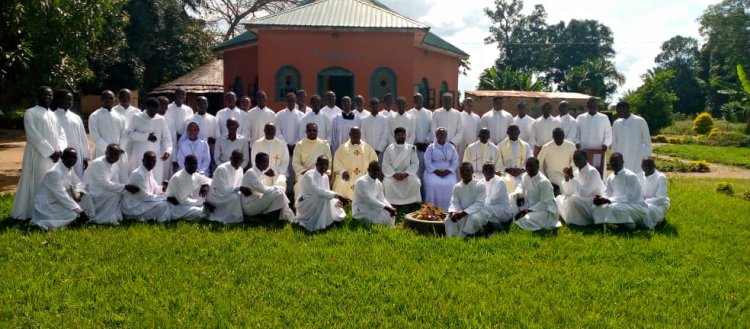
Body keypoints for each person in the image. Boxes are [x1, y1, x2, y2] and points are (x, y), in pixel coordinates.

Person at [31, 147, 95, 230]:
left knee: (86, 196)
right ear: (62, 157)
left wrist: (79, 192)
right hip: (48, 204)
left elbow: (78, 183)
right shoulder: (54, 172)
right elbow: (62, 195)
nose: (71, 159)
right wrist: (80, 211)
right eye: (68, 157)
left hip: (60, 201)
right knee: (73, 214)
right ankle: (45, 224)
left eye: (74, 157)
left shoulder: (69, 168)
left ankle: (87, 218)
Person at [83, 144, 139, 225]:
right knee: (114, 194)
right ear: (106, 153)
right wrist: (125, 187)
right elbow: (104, 184)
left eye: (116, 154)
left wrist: (125, 188)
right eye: (111, 153)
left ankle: (120, 215)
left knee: (122, 193)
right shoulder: (99, 163)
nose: (113, 156)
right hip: (91, 189)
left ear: (119, 155)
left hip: (101, 188)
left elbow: (115, 182)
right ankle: (103, 219)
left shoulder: (115, 164)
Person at [592, 153, 648, 229]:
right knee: (596, 206)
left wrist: (608, 200)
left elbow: (630, 198)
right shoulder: (610, 177)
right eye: (611, 162)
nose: (613, 164)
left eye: (616, 161)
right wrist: (601, 199)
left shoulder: (631, 176)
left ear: (622, 162)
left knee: (614, 208)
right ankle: (602, 225)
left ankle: (629, 225)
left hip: (636, 206)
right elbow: (607, 193)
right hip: (617, 204)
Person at [295, 156, 350, 231]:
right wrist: (337, 196)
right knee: (323, 199)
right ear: (316, 164)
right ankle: (319, 225)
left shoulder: (325, 177)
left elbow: (327, 193)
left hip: (319, 200)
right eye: (322, 164)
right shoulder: (309, 175)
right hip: (305, 203)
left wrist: (338, 200)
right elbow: (317, 191)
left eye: (326, 165)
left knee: (336, 205)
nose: (324, 167)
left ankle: (326, 221)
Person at [555, 150, 605, 226]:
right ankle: (569, 217)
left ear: (586, 158)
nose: (576, 161)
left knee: (572, 200)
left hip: (594, 202)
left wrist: (571, 177)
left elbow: (583, 193)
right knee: (559, 198)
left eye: (578, 158)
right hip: (581, 200)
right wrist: (567, 178)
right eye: (574, 159)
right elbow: (568, 192)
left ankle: (575, 220)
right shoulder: (576, 172)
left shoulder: (592, 172)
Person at [127, 97, 172, 182]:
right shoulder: (136, 117)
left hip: (155, 154)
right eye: (151, 110)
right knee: (139, 178)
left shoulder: (160, 119)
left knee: (155, 179)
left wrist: (167, 151)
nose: (153, 113)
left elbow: (167, 138)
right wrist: (146, 136)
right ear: (146, 107)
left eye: (155, 111)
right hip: (139, 153)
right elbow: (129, 134)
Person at [512, 157, 561, 231]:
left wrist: (527, 211)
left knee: (526, 219)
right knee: (512, 197)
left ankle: (520, 219)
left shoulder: (544, 182)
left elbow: (545, 203)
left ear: (538, 167)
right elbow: (520, 186)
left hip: (545, 210)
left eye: (531, 166)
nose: (529, 168)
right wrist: (519, 194)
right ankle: (516, 217)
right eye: (527, 166)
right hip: (530, 205)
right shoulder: (525, 176)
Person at [240, 153, 293, 221]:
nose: (266, 164)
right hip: (249, 206)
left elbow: (263, 190)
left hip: (256, 200)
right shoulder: (251, 173)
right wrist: (276, 188)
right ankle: (271, 218)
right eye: (264, 162)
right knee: (278, 193)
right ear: (257, 162)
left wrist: (276, 189)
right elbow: (264, 190)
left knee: (278, 193)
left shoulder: (260, 173)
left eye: (267, 162)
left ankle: (268, 217)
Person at [89, 90, 128, 181]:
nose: (108, 100)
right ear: (101, 100)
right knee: (103, 178)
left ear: (115, 100)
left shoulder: (120, 117)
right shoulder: (94, 116)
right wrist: (109, 151)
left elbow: (124, 135)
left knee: (120, 178)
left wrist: (120, 149)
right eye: (105, 98)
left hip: (119, 153)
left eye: (111, 98)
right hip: (102, 152)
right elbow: (95, 136)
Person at [122, 151, 171, 222]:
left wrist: (163, 188)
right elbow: (145, 196)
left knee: (165, 203)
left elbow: (154, 188)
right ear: (143, 160)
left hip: (143, 201)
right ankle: (140, 218)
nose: (151, 163)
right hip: (133, 206)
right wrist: (166, 198)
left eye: (153, 161)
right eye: (149, 160)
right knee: (163, 205)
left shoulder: (148, 171)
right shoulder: (138, 174)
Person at [332, 127, 378, 200]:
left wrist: (368, 174)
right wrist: (343, 171)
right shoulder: (343, 148)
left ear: (360, 135)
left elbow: (374, 161)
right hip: (347, 176)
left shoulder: (367, 148)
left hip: (364, 175)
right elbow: (337, 161)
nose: (356, 135)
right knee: (341, 183)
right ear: (349, 134)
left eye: (357, 133)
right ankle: (343, 202)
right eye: (353, 133)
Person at [52, 89, 89, 179]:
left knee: (77, 176)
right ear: (58, 100)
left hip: (77, 154)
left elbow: (83, 137)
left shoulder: (76, 117)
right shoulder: (52, 116)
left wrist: (85, 156)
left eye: (71, 100)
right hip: (61, 154)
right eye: (67, 99)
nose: (70, 102)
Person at [444, 162, 487, 237]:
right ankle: (451, 238)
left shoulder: (480, 186)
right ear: (460, 173)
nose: (465, 173)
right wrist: (453, 212)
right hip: (461, 212)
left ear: (472, 172)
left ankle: (470, 235)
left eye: (467, 171)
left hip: (477, 212)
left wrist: (463, 213)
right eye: (462, 171)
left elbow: (479, 204)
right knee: (448, 219)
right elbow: (454, 202)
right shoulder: (457, 187)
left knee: (473, 218)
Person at [382, 127, 422, 207]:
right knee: (387, 182)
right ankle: (392, 203)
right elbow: (385, 164)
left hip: (407, 174)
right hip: (393, 174)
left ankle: (411, 203)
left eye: (402, 135)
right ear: (395, 136)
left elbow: (415, 163)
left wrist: (406, 174)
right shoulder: (389, 148)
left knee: (415, 182)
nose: (400, 136)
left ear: (405, 135)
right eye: (398, 135)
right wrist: (394, 174)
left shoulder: (411, 148)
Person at [166, 154, 212, 220]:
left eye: (195, 164)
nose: (193, 166)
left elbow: (210, 180)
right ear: (185, 164)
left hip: (190, 203)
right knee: (198, 212)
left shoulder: (194, 174)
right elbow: (183, 201)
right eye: (191, 164)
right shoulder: (177, 178)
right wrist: (202, 203)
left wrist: (206, 185)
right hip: (176, 206)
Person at [611, 101, 652, 175]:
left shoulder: (640, 121)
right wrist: (613, 157)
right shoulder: (616, 123)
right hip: (621, 159)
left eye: (619, 111)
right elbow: (614, 142)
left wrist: (645, 157)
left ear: (626, 109)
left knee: (637, 179)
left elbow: (647, 141)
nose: (617, 113)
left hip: (637, 158)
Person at [292, 123, 332, 196]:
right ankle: (301, 206)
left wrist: (323, 171)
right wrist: (305, 171)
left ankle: (322, 205)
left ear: (317, 132)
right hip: (304, 173)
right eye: (310, 131)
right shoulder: (299, 145)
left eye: (314, 130)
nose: (312, 132)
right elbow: (296, 162)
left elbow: (328, 161)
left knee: (323, 182)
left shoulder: (324, 144)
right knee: (300, 184)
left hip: (320, 172)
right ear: (306, 132)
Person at [423, 128, 459, 210]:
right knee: (432, 184)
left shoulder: (451, 147)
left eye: (443, 134)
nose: (441, 136)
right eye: (439, 134)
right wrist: (436, 171)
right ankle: (431, 208)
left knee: (451, 184)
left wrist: (448, 171)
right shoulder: (431, 147)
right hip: (433, 171)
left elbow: (455, 161)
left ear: (446, 136)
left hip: (448, 172)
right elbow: (427, 161)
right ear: (436, 135)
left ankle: (449, 208)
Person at [207, 150, 245, 224]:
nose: (238, 161)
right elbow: (222, 189)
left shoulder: (240, 170)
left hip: (231, 192)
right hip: (217, 195)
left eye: (240, 160)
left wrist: (240, 190)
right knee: (234, 197)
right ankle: (233, 219)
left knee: (241, 196)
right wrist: (238, 189)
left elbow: (239, 184)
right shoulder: (222, 169)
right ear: (231, 158)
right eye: (236, 159)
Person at [576, 97, 612, 177]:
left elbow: (608, 134)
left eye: (594, 106)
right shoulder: (580, 118)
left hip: (598, 151)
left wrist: (605, 144)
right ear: (587, 106)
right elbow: (576, 134)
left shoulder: (604, 118)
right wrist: (577, 143)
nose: (592, 108)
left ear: (597, 106)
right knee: (583, 172)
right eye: (590, 106)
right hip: (584, 151)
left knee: (597, 173)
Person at [353, 161, 396, 226]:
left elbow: (382, 199)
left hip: (374, 207)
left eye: (378, 171)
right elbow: (368, 200)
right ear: (368, 170)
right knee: (379, 220)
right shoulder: (361, 182)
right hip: (361, 209)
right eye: (374, 170)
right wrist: (387, 208)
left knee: (388, 215)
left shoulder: (378, 183)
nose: (376, 173)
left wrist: (390, 207)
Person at [164, 88, 194, 177]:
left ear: (185, 96)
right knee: (170, 163)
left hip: (183, 139)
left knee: (181, 161)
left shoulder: (189, 110)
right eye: (178, 94)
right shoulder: (168, 108)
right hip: (170, 138)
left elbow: (190, 124)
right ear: (175, 95)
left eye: (182, 94)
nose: (180, 96)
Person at [251, 123, 289, 188]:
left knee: (280, 185)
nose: (270, 131)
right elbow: (254, 160)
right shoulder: (257, 143)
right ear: (264, 130)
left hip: (278, 173)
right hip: (262, 174)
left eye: (272, 129)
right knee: (262, 186)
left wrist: (276, 171)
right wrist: (264, 171)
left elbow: (285, 161)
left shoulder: (282, 144)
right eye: (267, 129)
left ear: (275, 131)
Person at [408, 93, 433, 187]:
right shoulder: (409, 113)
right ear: (413, 101)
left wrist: (427, 141)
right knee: (415, 171)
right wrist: (415, 142)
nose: (418, 101)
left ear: (423, 100)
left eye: (420, 99)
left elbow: (432, 129)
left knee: (425, 171)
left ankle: (425, 193)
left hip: (426, 148)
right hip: (414, 147)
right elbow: (410, 130)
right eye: (416, 100)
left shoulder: (429, 113)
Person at [498, 125, 532, 191]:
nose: (513, 132)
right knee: (506, 186)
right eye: (511, 130)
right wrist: (507, 169)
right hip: (506, 173)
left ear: (519, 132)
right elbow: (498, 160)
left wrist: (522, 169)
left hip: (522, 173)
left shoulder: (526, 145)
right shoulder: (500, 145)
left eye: (515, 131)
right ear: (507, 132)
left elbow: (530, 159)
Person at [640, 157, 670, 229]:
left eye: (650, 165)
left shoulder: (661, 177)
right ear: (642, 167)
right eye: (645, 165)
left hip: (658, 205)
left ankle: (657, 222)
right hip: (641, 202)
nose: (648, 168)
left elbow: (661, 198)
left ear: (654, 165)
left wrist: (644, 201)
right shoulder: (639, 176)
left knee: (648, 208)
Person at [361, 97, 389, 162]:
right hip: (367, 152)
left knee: (379, 170)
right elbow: (363, 136)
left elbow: (385, 137)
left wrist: (378, 150)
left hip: (380, 152)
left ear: (379, 105)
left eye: (376, 104)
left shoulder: (384, 120)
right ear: (370, 106)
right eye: (373, 104)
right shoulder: (364, 120)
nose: (375, 105)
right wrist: (368, 150)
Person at [458, 97, 480, 162]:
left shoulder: (477, 117)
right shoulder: (459, 116)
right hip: (461, 144)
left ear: (473, 104)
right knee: (460, 161)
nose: (469, 104)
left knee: (472, 162)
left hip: (473, 143)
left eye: (471, 102)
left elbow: (478, 132)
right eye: (467, 102)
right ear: (464, 104)